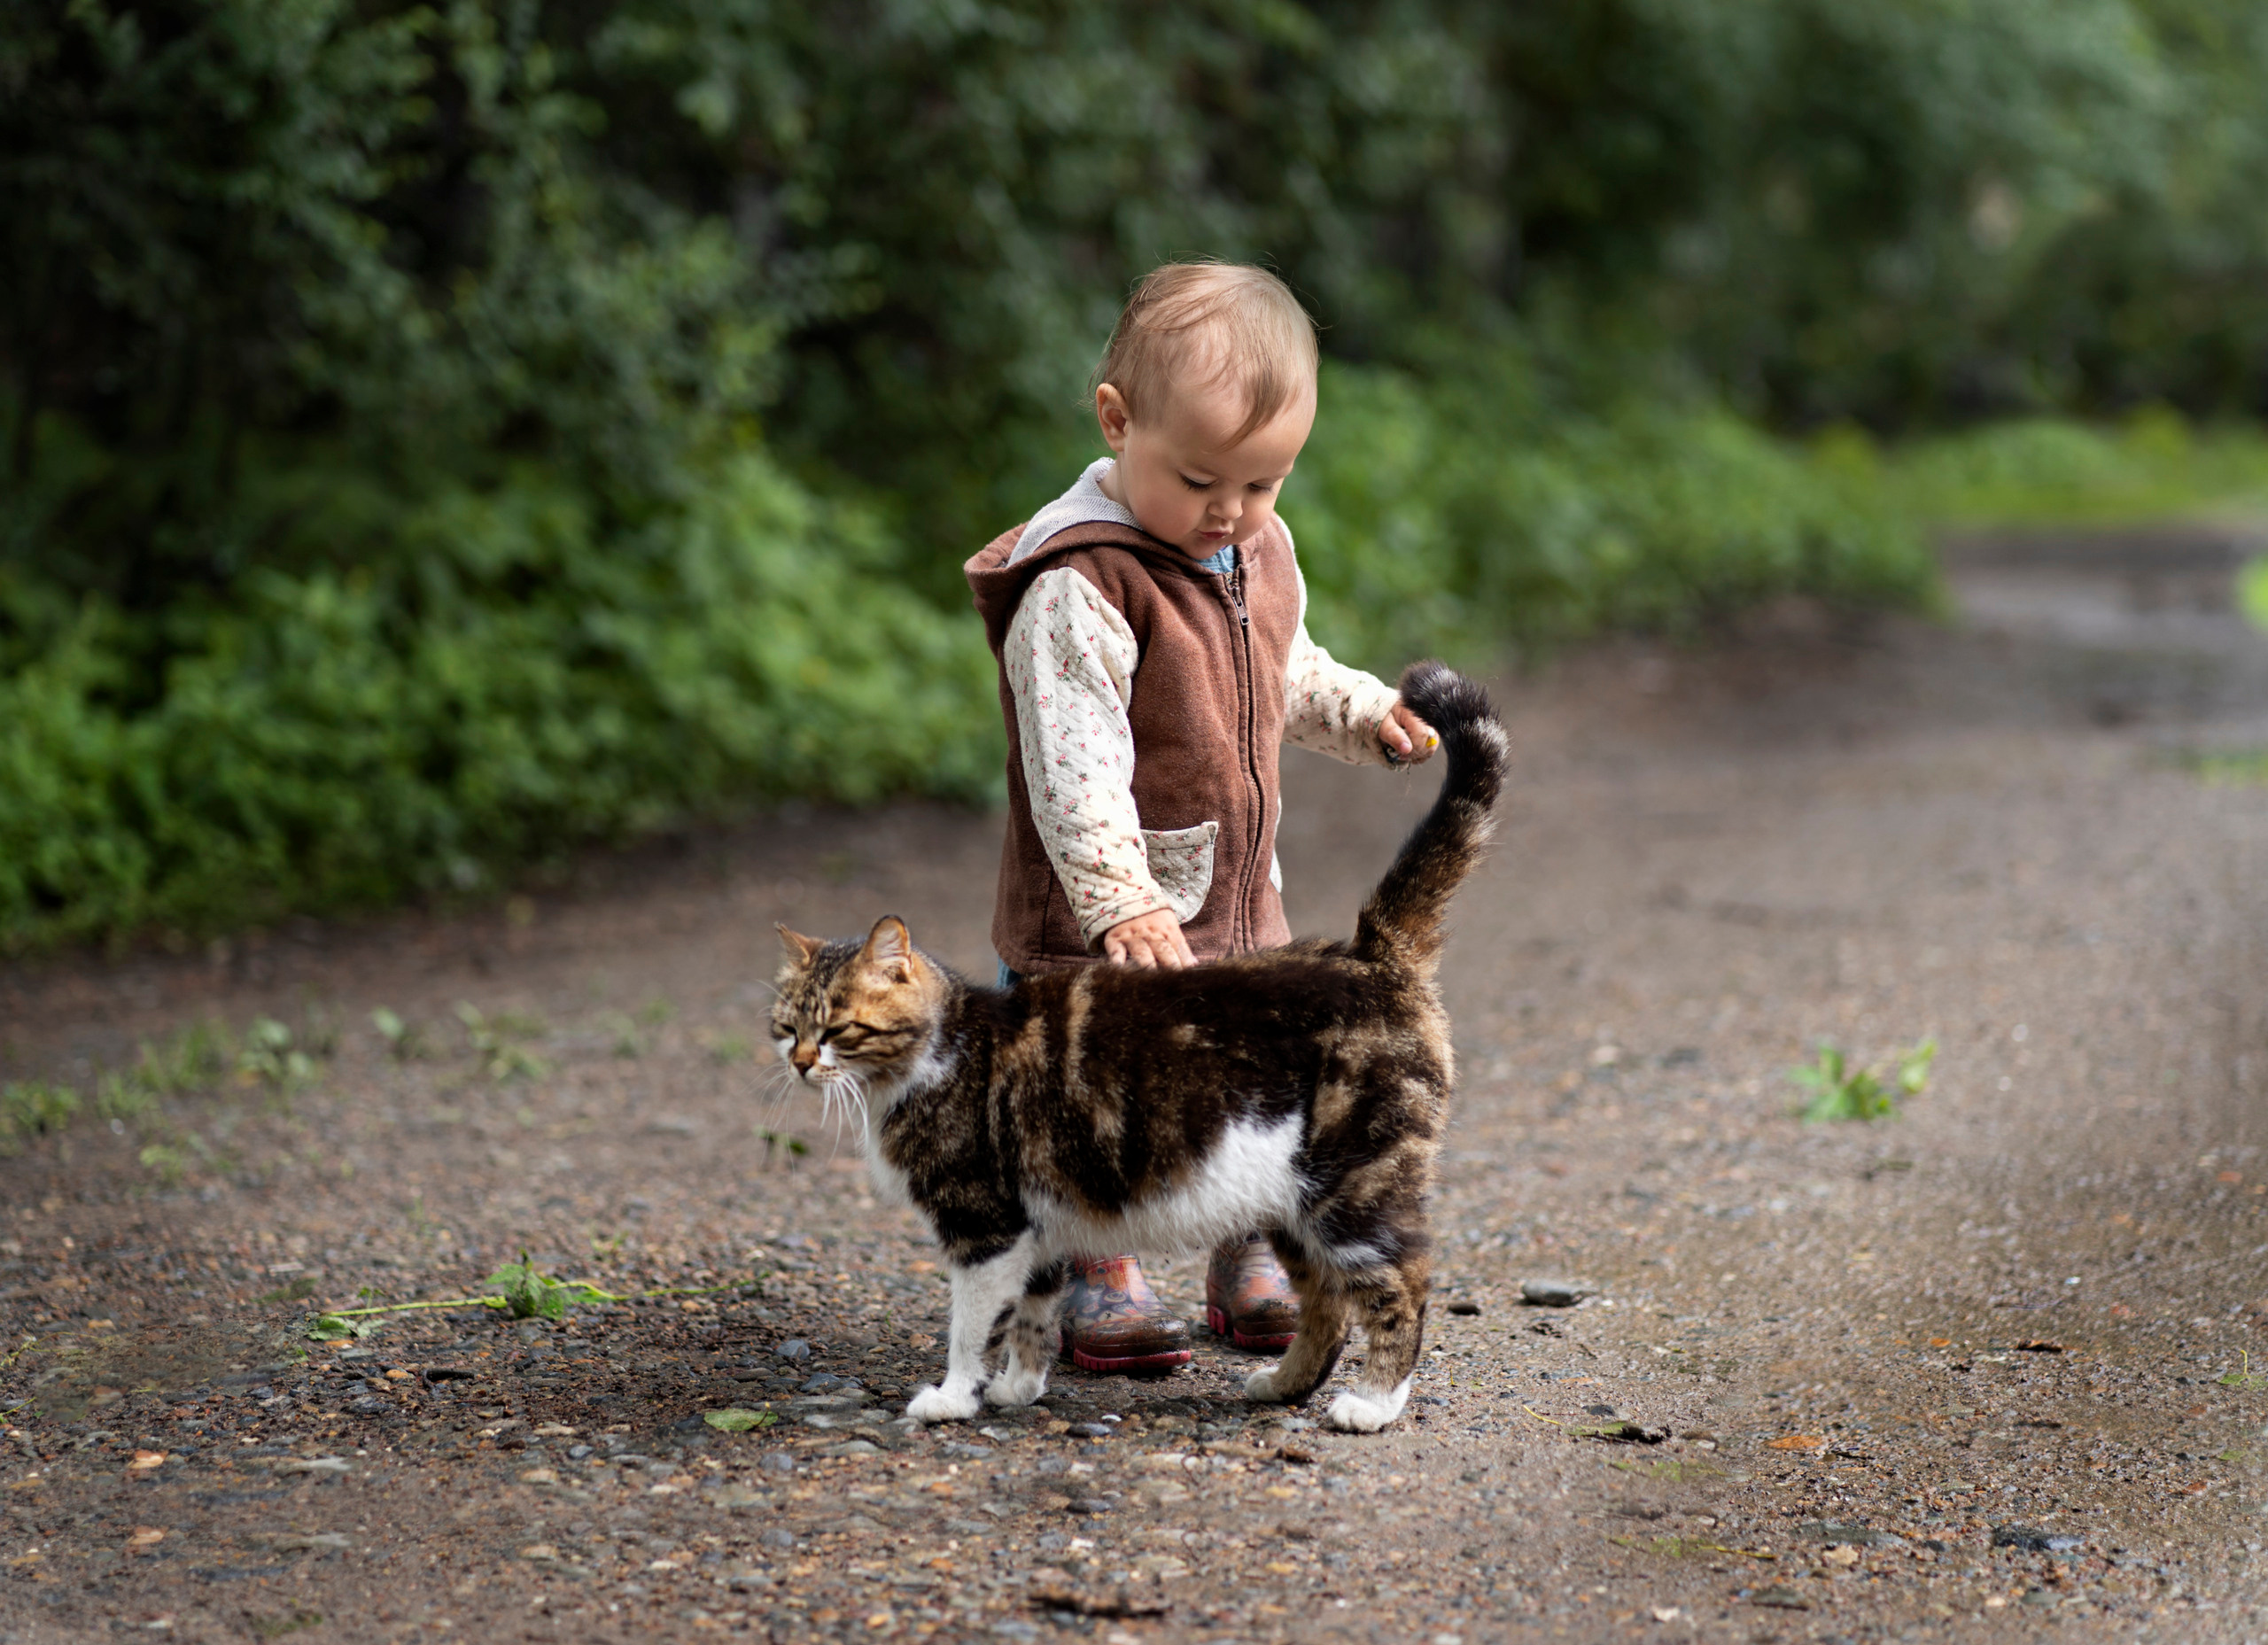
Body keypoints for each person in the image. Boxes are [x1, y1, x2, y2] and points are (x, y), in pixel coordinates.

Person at [963, 261, 1441, 1373]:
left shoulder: (1252, 551)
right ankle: (1098, 1274)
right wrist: (1117, 898)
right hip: (1104, 919)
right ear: (1116, 421)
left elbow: (1287, 669)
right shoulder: (1079, 584)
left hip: (1232, 898)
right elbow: (1072, 762)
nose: (1230, 512)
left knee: (1238, 1084)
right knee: (1097, 1097)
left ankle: (1243, 1257)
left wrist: (1365, 712)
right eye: (1199, 480)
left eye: (1264, 485)